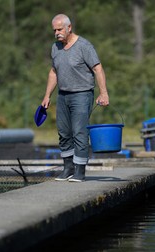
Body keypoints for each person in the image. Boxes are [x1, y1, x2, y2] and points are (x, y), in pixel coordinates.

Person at [41, 14, 109, 182]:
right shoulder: (55, 47)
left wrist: (103, 92)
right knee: (64, 132)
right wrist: (47, 95)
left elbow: (98, 69)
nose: (56, 33)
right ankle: (68, 168)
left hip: (82, 94)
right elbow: (53, 72)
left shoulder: (84, 46)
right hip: (62, 95)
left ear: (69, 27)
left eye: (59, 29)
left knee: (79, 132)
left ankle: (80, 170)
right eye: (54, 30)